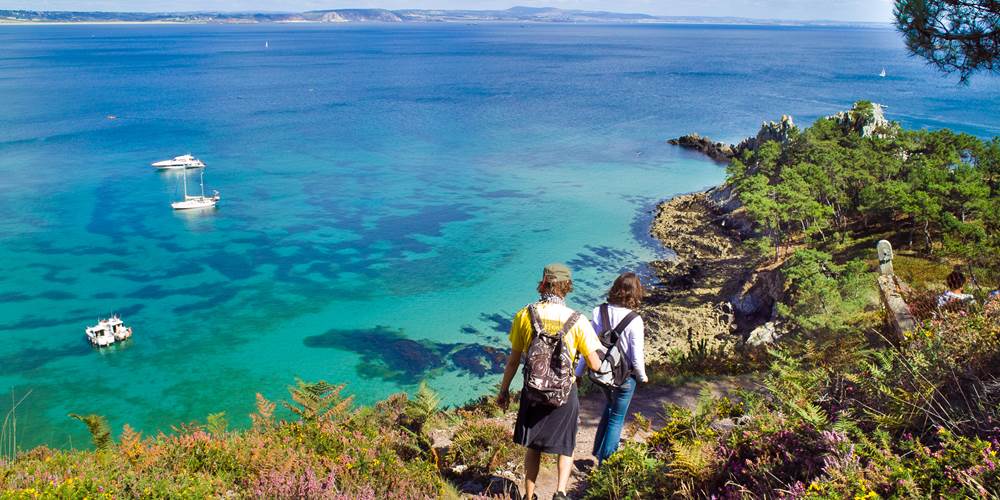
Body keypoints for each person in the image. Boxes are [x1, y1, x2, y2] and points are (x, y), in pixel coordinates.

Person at [498, 263, 602, 500]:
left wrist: (503, 392)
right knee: (566, 446)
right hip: (565, 394)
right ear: (566, 287)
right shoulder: (577, 320)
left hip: (533, 392)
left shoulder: (525, 315)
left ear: (543, 284)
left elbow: (513, 362)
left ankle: (529, 495)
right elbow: (595, 364)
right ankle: (560, 492)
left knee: (533, 446)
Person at [581, 272, 648, 465]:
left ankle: (597, 450)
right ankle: (606, 462)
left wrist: (578, 372)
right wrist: (642, 377)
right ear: (635, 293)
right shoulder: (634, 320)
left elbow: (589, 345)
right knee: (617, 417)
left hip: (602, 372)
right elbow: (636, 354)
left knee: (609, 407)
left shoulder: (598, 311)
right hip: (625, 376)